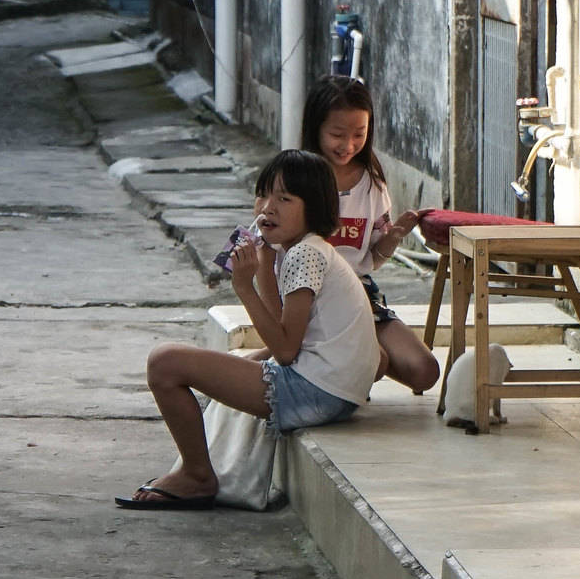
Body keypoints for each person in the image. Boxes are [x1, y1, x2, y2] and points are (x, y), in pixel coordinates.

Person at [116, 150, 381, 509]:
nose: (268, 207)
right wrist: (263, 266)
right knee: (238, 358)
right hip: (335, 391)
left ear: (315, 208)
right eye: (263, 194)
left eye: (284, 198)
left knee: (165, 363)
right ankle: (196, 470)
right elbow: (283, 329)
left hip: (317, 393)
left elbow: (286, 350)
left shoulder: (305, 254)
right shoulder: (302, 250)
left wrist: (243, 288)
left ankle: (196, 475)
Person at [302, 75, 442, 393]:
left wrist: (393, 237)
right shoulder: (297, 178)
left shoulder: (372, 185)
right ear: (316, 128)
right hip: (310, 300)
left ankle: (347, 357)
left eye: (359, 134)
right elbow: (266, 232)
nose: (348, 145)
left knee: (425, 372)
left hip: (361, 296)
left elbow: (372, 260)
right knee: (372, 361)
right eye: (337, 134)